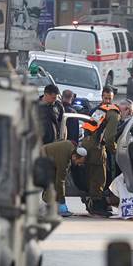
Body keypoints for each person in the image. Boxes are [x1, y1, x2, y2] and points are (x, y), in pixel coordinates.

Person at [82, 86, 121, 217]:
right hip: (97, 148)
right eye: (105, 98)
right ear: (101, 97)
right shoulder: (114, 113)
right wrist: (115, 150)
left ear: (113, 98)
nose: (107, 101)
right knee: (99, 178)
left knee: (92, 176)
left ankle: (93, 203)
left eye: (109, 98)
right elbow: (109, 137)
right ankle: (96, 206)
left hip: (87, 145)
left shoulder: (100, 110)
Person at [41, 140, 87, 216]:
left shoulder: (72, 148)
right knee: (54, 182)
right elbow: (60, 181)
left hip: (46, 158)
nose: (78, 165)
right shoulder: (64, 159)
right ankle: (54, 206)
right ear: (74, 157)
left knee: (53, 182)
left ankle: (50, 204)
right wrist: (62, 201)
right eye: (78, 162)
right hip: (42, 159)